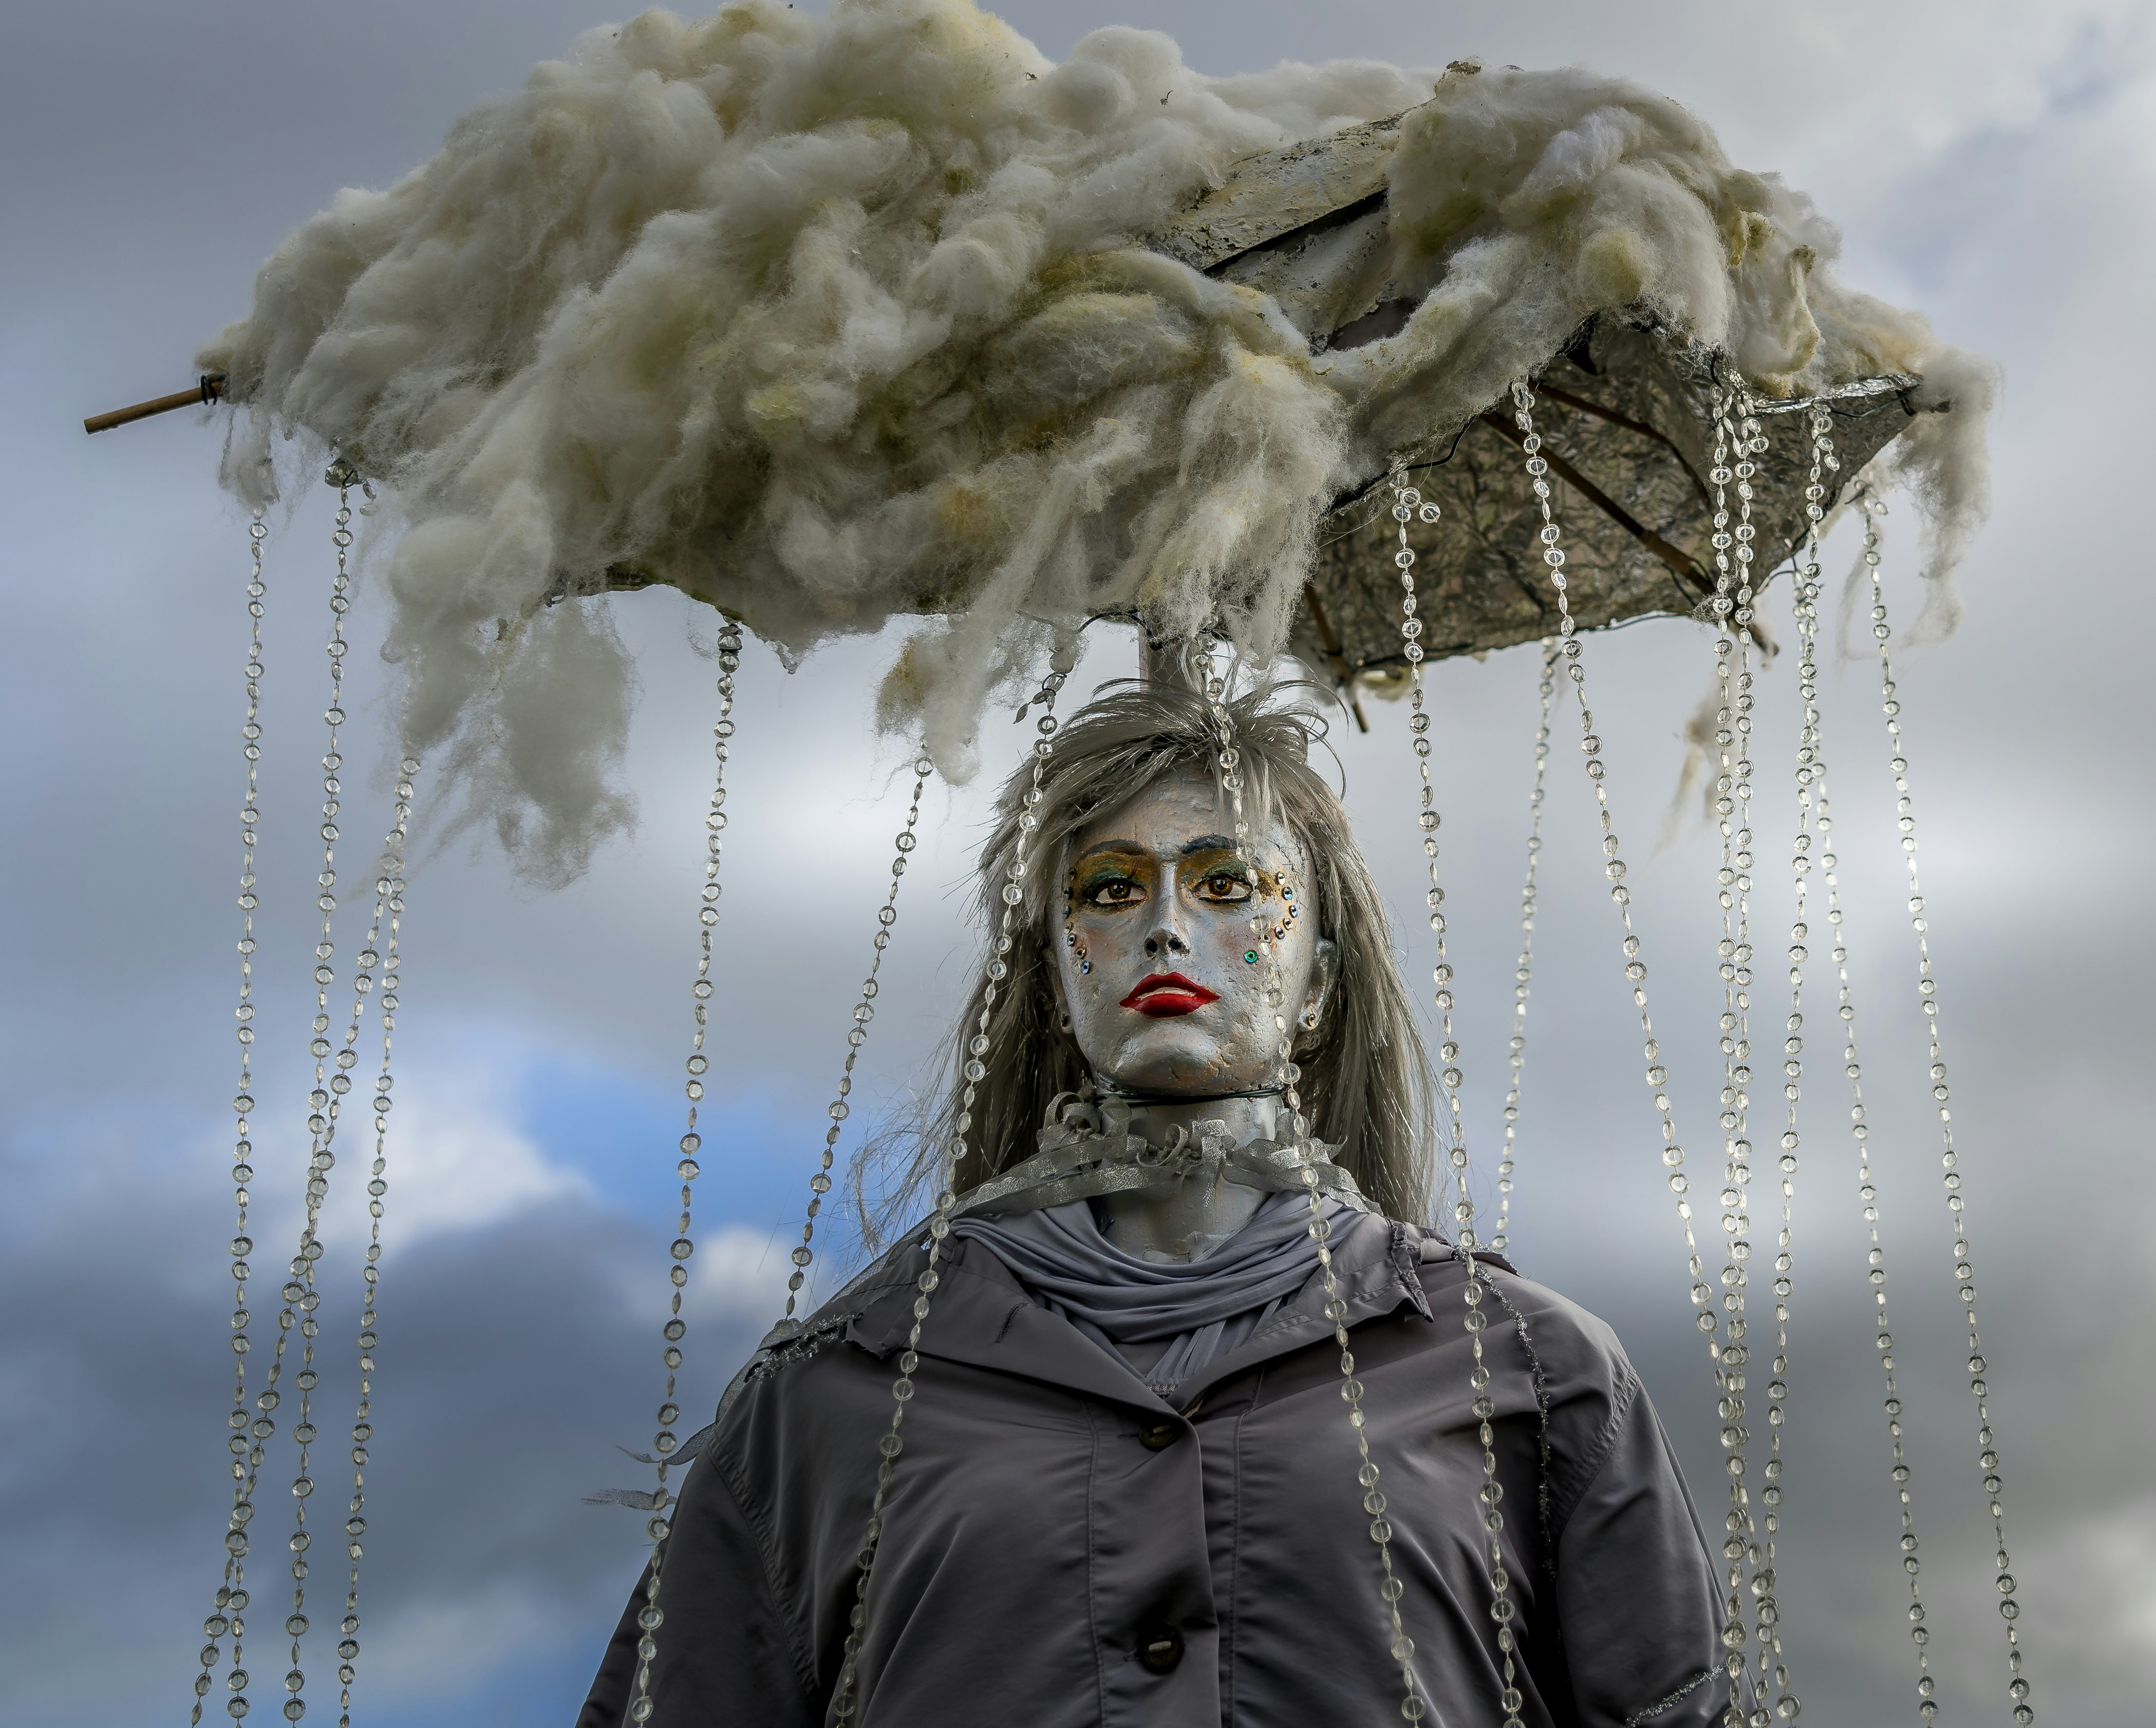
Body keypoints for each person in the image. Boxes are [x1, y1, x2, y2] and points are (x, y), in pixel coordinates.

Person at [577, 677, 1728, 1726]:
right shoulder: (840, 1388)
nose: (1165, 925)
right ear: (1061, 965)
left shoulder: (1528, 1369)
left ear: (1318, 976)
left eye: (1228, 883)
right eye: (1113, 887)